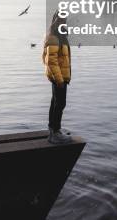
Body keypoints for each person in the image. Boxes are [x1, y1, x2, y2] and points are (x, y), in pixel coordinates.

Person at [43, 10, 72, 144]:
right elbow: (51, 61)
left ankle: (53, 130)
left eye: (64, 19)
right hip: (58, 76)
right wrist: (59, 79)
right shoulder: (54, 37)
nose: (63, 21)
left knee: (56, 102)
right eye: (61, 19)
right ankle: (55, 133)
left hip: (60, 74)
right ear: (55, 20)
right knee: (60, 103)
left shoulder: (60, 35)